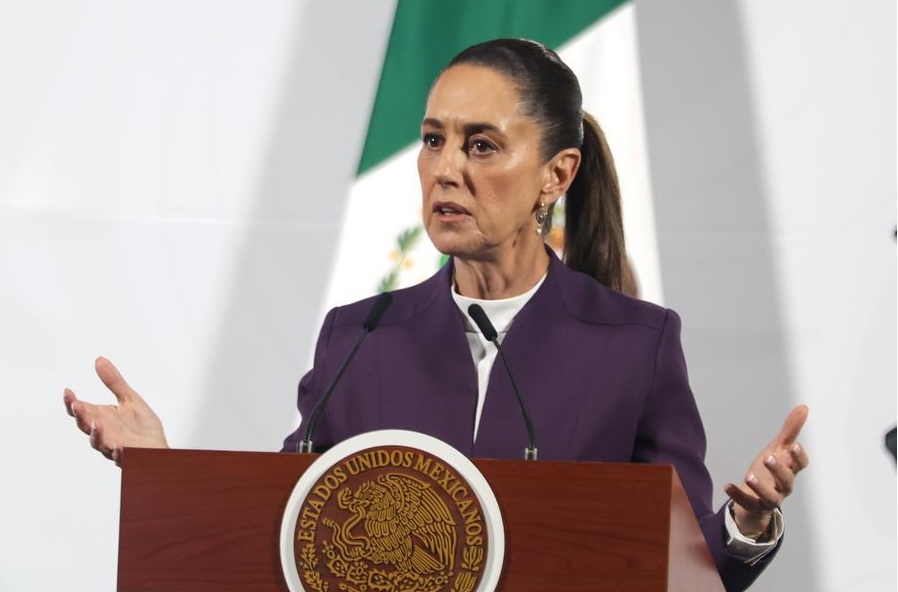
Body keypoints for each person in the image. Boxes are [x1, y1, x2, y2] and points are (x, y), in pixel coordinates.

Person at [64, 38, 808, 592]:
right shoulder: (358, 339)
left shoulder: (636, 345)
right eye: (432, 141)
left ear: (558, 173)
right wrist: (161, 467)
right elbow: (287, 529)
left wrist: (746, 529)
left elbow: (681, 569)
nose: (445, 168)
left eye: (482, 145)